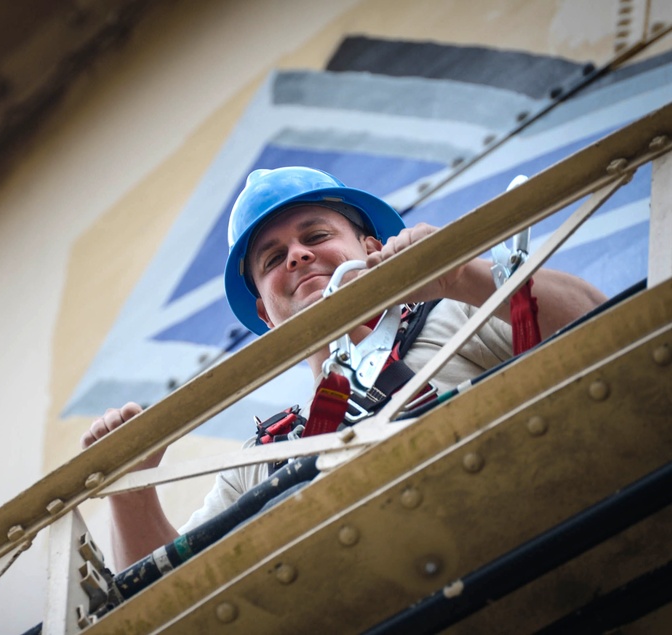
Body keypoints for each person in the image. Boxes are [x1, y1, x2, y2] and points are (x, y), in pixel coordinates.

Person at [81, 166, 606, 570]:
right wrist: (131, 489)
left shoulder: (459, 314)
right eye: (272, 259)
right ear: (265, 314)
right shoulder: (263, 460)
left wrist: (460, 275)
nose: (297, 257)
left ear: (371, 247)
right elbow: (163, 599)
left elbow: (603, 327)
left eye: (315, 236)